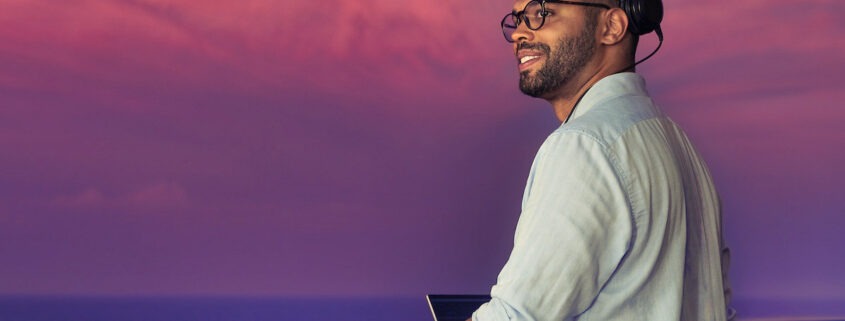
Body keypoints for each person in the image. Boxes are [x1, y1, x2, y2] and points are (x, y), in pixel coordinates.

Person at [469, 0, 734, 320]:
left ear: (612, 28)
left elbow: (514, 316)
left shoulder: (584, 147)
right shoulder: (683, 149)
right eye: (518, 19)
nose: (519, 34)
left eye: (542, 13)